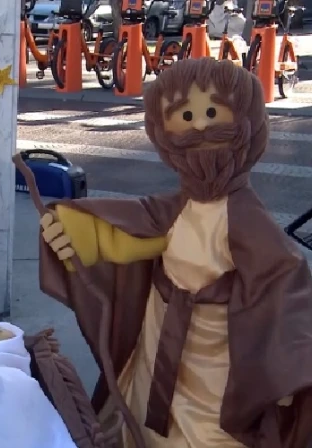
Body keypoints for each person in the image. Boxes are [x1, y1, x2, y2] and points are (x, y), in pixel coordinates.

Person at [39, 58, 312, 447]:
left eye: (213, 113)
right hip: (160, 339)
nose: (199, 126)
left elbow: (284, 281)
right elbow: (132, 234)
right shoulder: (172, 210)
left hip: (218, 360)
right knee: (145, 416)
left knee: (210, 435)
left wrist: (286, 366)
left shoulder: (245, 218)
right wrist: (73, 231)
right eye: (185, 115)